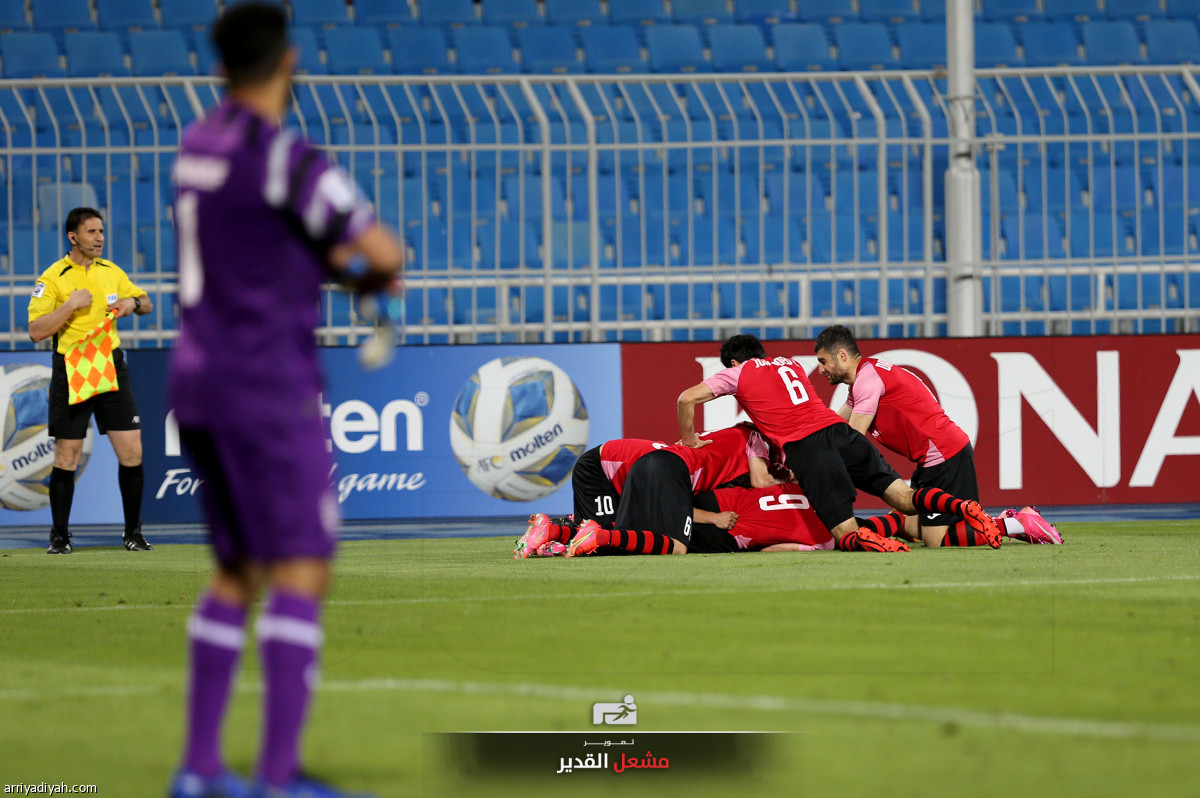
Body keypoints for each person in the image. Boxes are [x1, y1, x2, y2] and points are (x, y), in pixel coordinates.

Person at [166, 5, 404, 798]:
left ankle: (199, 768)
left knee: (235, 568)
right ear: (290, 63)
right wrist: (374, 283)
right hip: (266, 386)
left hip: (195, 381)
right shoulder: (289, 160)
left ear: (220, 68)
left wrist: (325, 262)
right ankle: (277, 778)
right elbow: (381, 252)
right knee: (299, 565)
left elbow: (261, 248)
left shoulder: (195, 147)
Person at [676, 334, 1004, 553]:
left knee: (843, 534)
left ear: (734, 363)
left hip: (808, 447)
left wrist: (691, 439)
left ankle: (883, 547)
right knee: (904, 499)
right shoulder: (789, 363)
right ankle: (962, 507)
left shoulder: (739, 373)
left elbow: (686, 397)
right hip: (840, 432)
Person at [813, 324, 1062, 547]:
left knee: (936, 540)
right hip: (934, 456)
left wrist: (821, 468)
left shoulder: (867, 381)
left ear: (842, 356)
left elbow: (853, 437)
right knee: (908, 524)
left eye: (824, 361)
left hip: (944, 456)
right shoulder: (864, 378)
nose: (821, 369)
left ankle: (1020, 523)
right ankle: (1002, 520)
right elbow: (835, 423)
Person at [28, 206, 154, 555]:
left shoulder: (112, 271)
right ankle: (60, 536)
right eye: (92, 232)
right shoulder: (52, 278)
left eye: (101, 231)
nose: (100, 238)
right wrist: (69, 306)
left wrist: (133, 302)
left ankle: (133, 533)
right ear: (73, 237)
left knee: (132, 451)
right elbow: (36, 331)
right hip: (73, 368)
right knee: (66, 455)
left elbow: (147, 303)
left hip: (110, 366)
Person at [515, 425, 780, 557]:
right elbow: (760, 480)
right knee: (614, 539)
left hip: (625, 466)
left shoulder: (714, 446)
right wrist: (714, 518)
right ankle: (556, 536)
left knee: (613, 536)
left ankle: (551, 532)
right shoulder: (752, 442)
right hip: (601, 469)